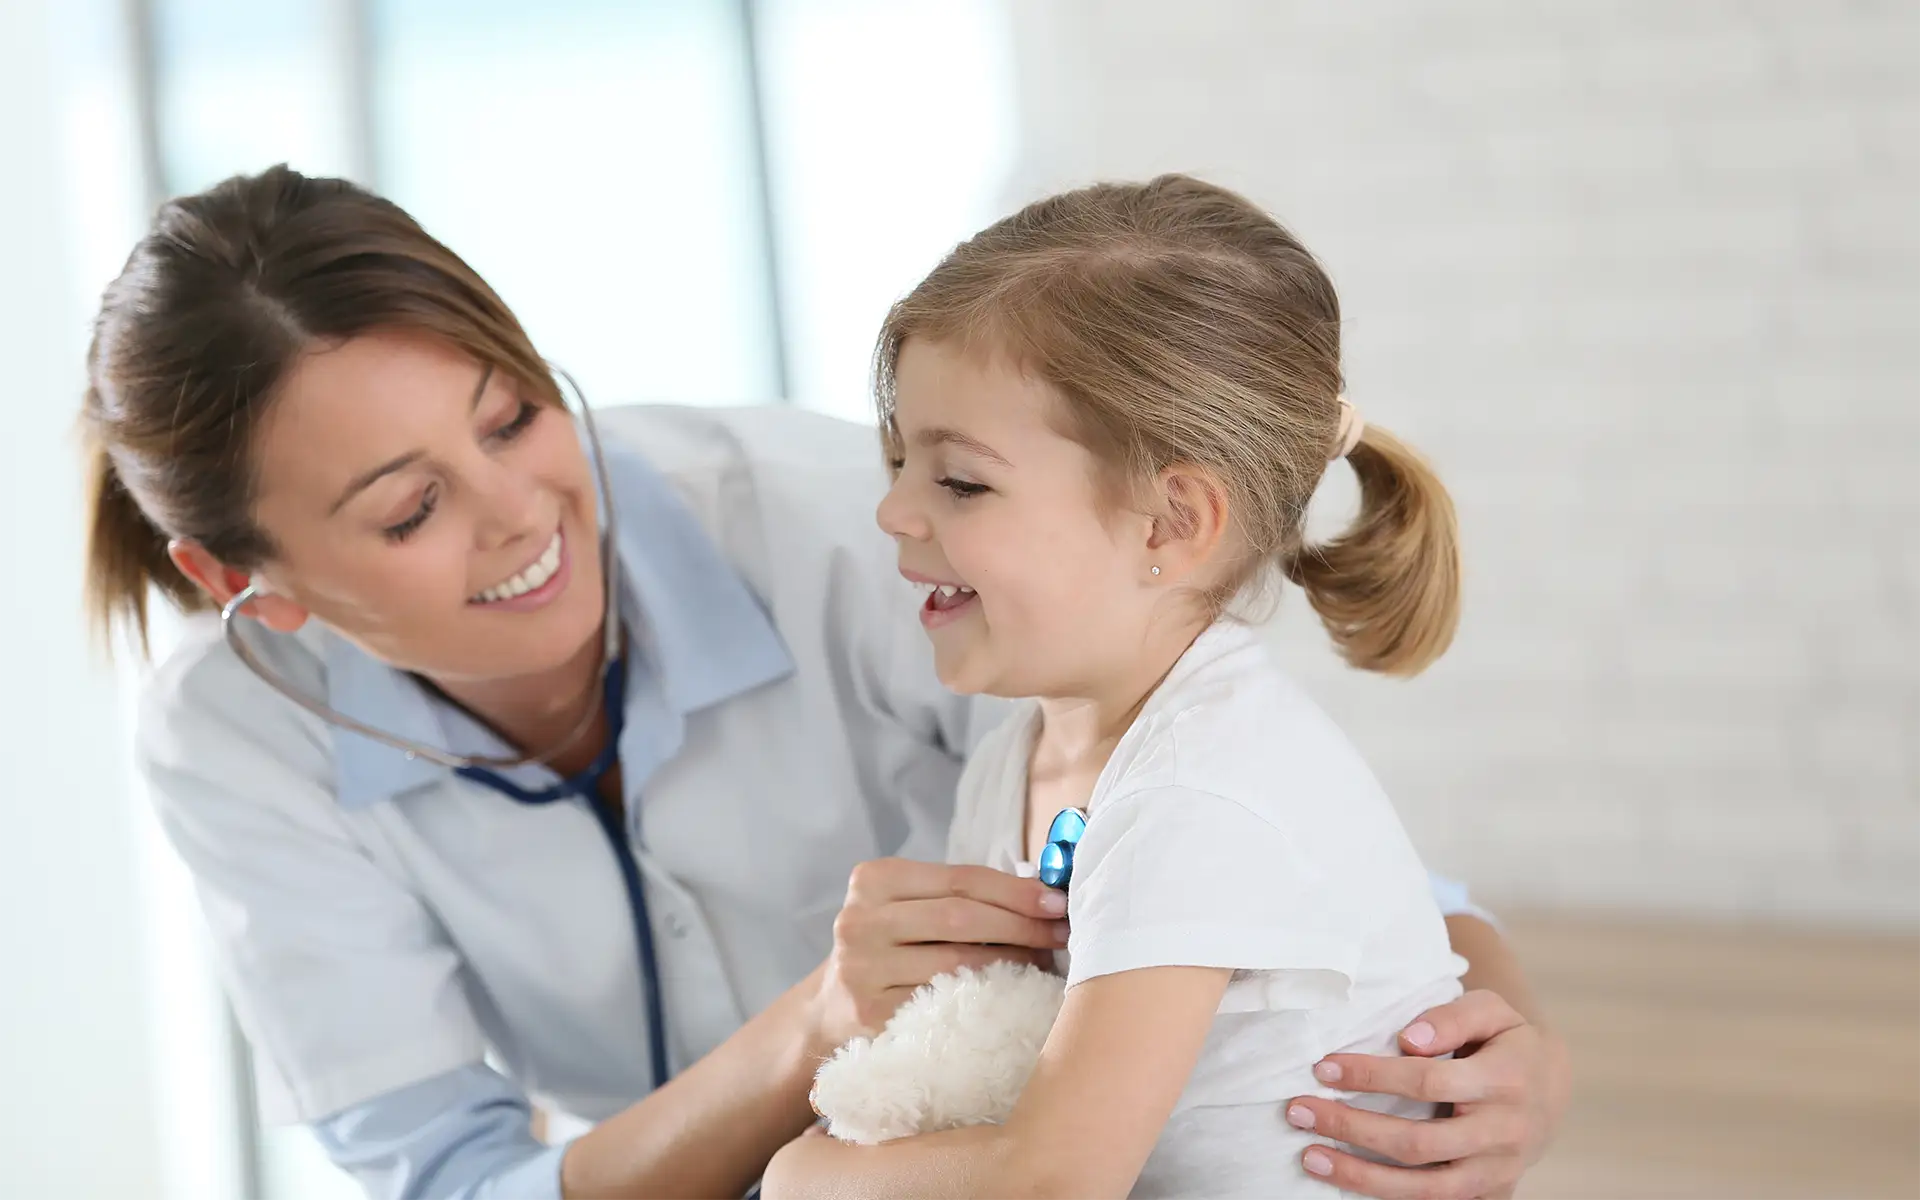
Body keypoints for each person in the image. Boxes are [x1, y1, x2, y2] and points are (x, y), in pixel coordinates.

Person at [82, 165, 1567, 1200]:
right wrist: (807, 1049)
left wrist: (1505, 1058)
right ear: (242, 586)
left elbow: (1262, 851)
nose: (526, 512)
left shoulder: (855, 537)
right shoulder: (232, 742)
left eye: (516, 414)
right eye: (409, 510)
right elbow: (461, 1181)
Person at [762, 174, 1510, 1199]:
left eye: (959, 480)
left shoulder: (1197, 790)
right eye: (898, 461)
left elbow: (1053, 1178)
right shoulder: (1015, 759)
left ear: (1170, 524)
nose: (893, 510)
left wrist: (805, 1175)